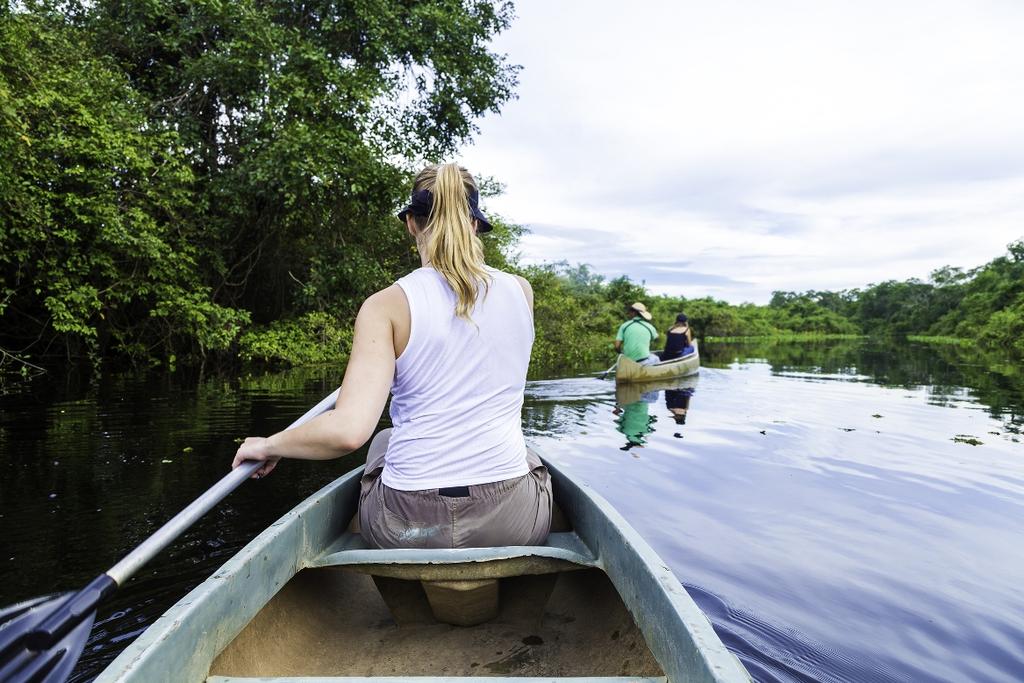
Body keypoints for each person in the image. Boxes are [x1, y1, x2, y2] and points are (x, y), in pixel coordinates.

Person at [231, 163, 551, 549]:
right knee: (527, 455)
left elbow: (348, 432)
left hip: (408, 528)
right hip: (510, 522)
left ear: (411, 224)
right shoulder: (521, 291)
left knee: (383, 440)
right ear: (475, 224)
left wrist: (269, 444)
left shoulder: (385, 306)